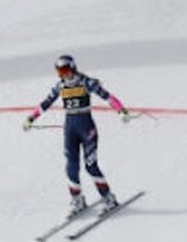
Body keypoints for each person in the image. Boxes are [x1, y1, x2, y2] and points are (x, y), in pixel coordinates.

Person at [23, 54, 130, 217]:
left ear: (72, 68)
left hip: (87, 129)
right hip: (70, 130)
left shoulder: (86, 82)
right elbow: (46, 103)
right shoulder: (60, 86)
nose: (62, 74)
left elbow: (107, 96)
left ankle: (108, 198)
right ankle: (77, 199)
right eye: (59, 72)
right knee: (71, 166)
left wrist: (121, 110)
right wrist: (31, 117)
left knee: (90, 165)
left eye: (65, 70)